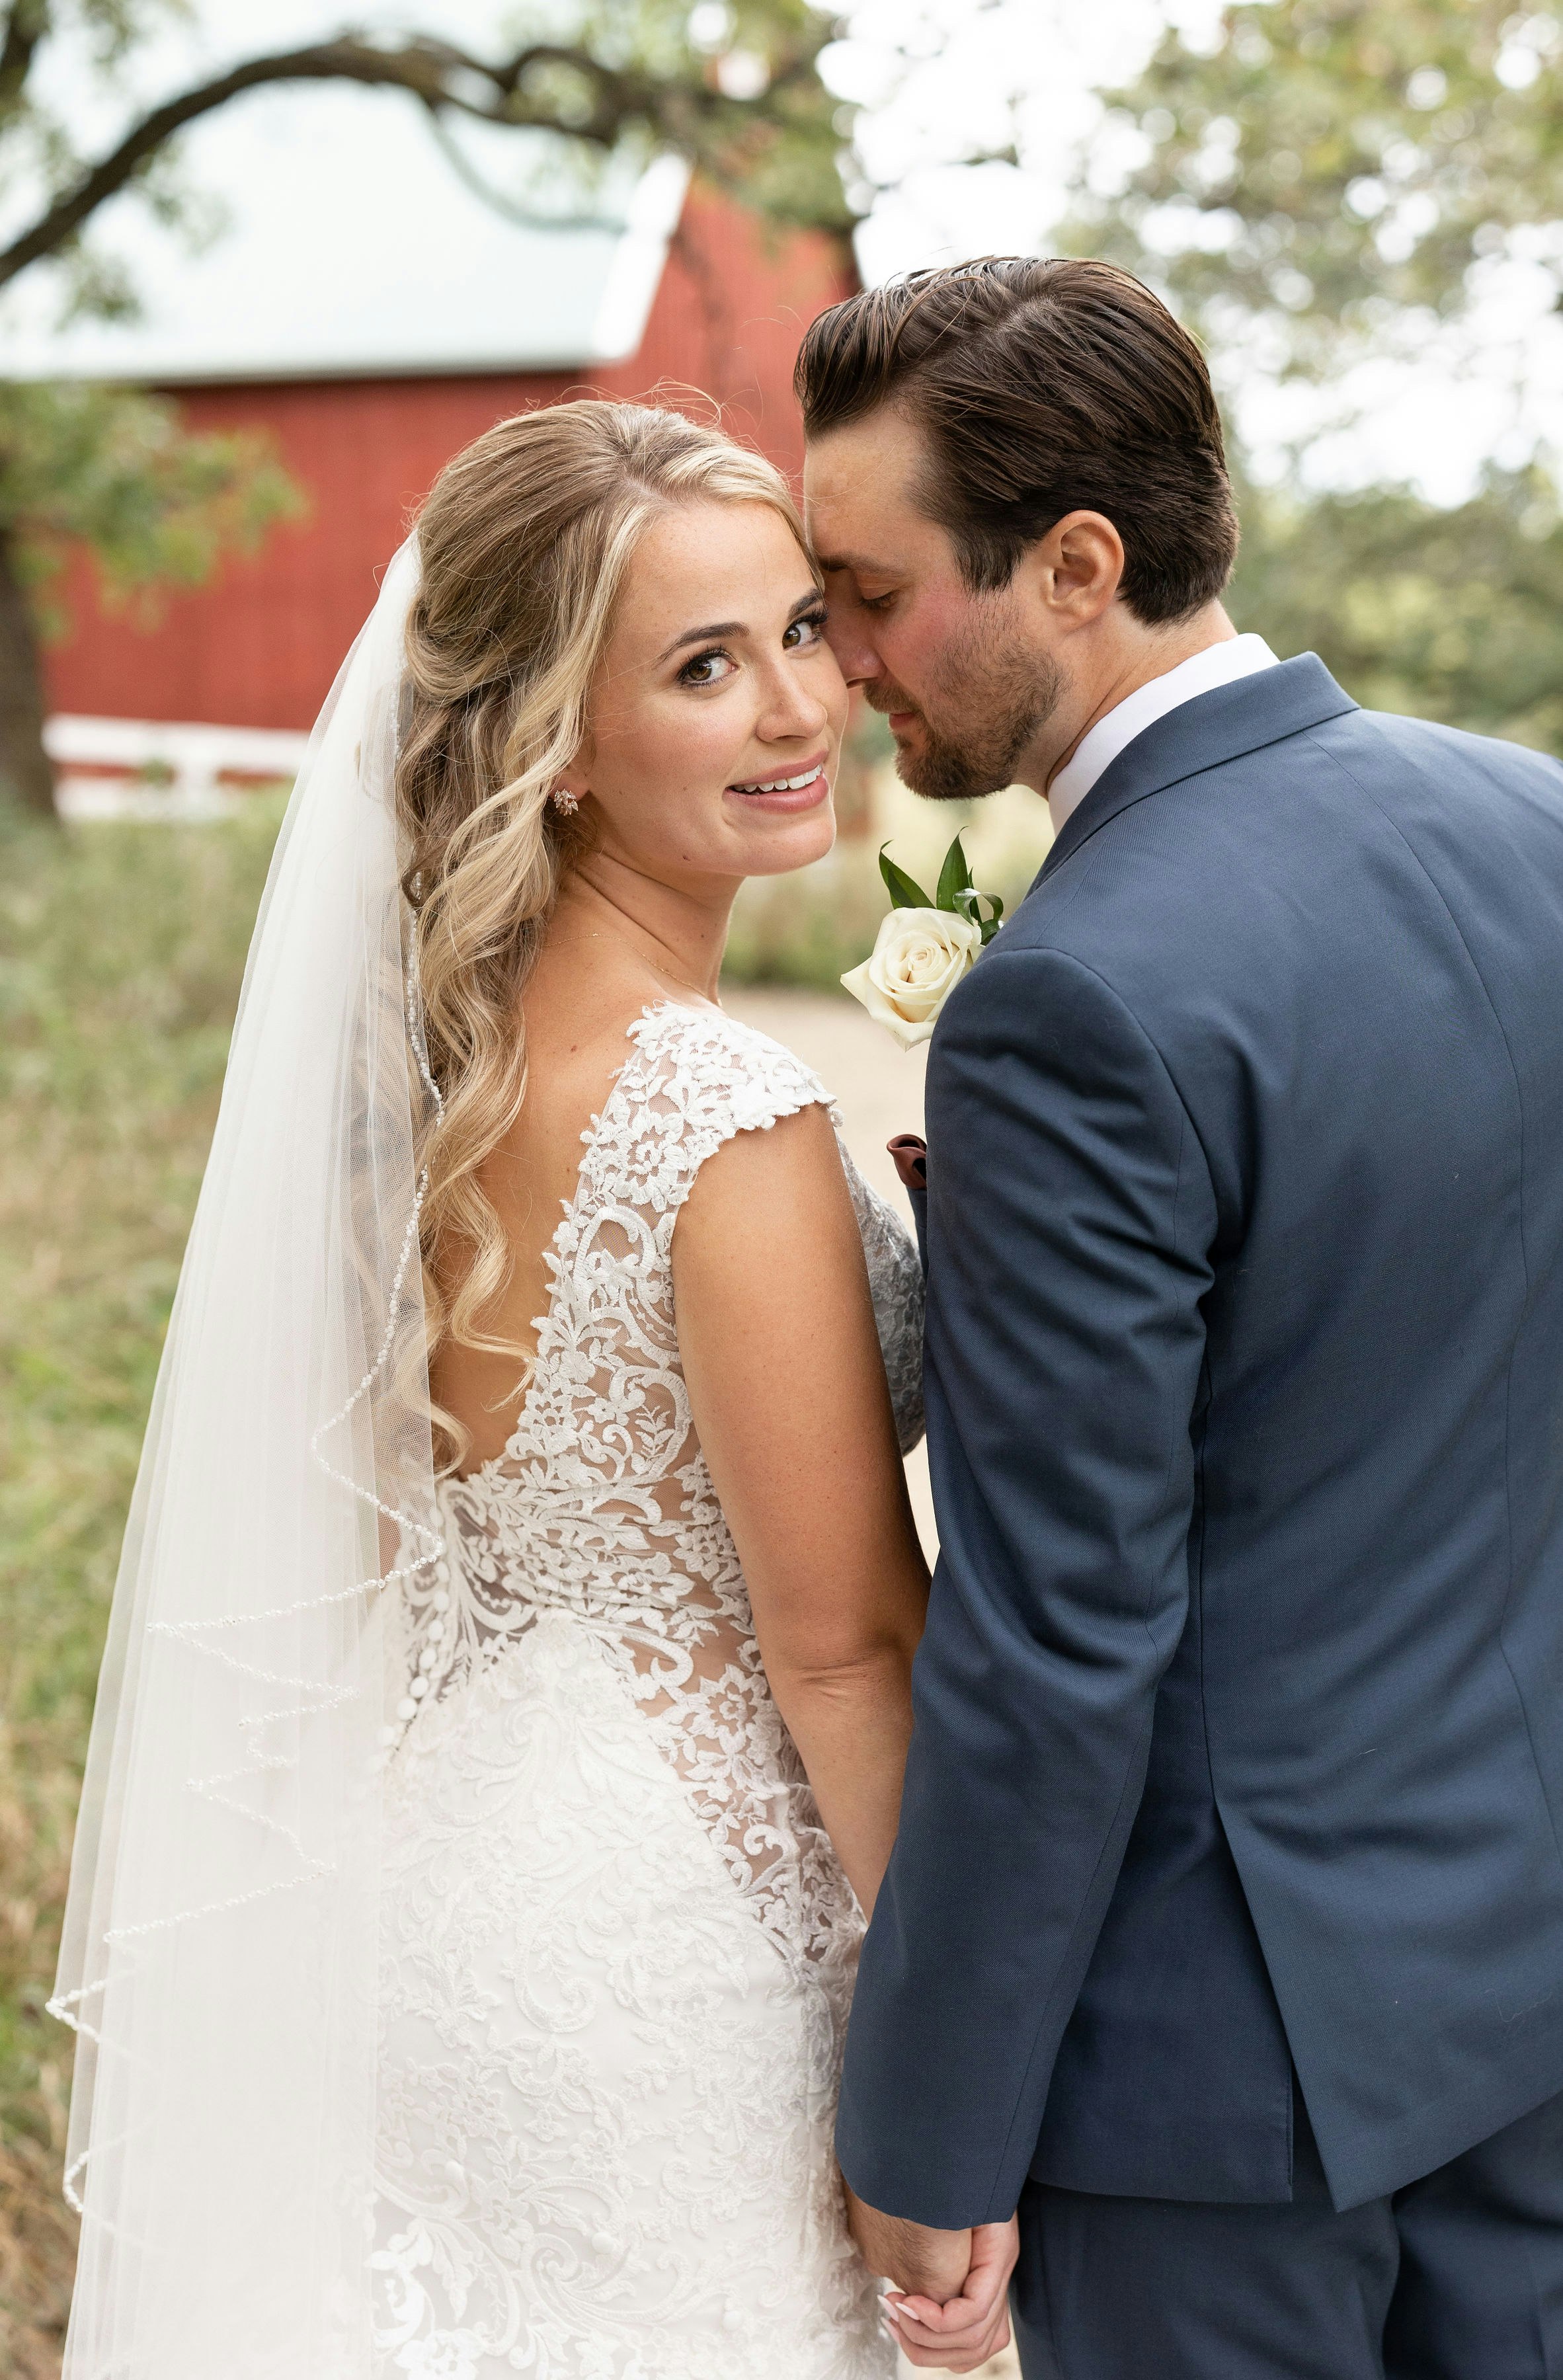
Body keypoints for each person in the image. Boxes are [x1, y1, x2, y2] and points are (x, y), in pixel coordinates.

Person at [51, 400, 930, 2380]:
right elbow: (847, 1653)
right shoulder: (719, 1110)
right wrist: (955, 2058)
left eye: (804, 628)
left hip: (435, 1872)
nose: (800, 705)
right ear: (557, 739)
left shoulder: (431, 1069)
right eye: (703, 666)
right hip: (674, 1944)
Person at [798, 256, 1563, 2379]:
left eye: (869, 594)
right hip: (1517, 1980)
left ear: (1073, 565)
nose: (838, 659)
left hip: (1221, 2089)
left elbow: (1059, 1638)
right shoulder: (1533, 824)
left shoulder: (1073, 1000)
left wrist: (933, 2125)